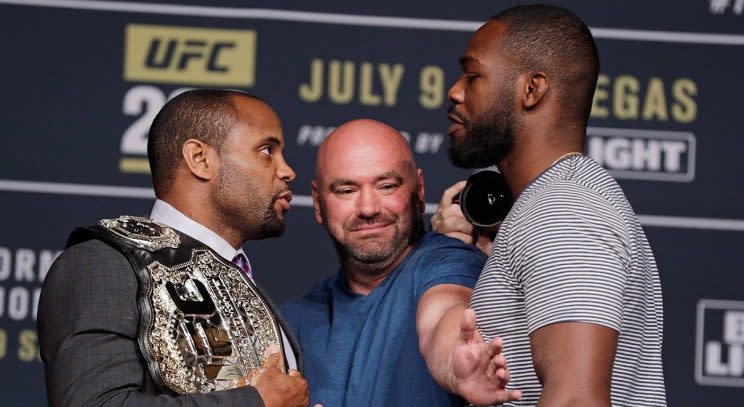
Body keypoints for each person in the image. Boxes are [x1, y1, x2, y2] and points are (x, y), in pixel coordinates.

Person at [440, 4, 666, 406]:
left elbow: (576, 400)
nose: (455, 91)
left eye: (473, 76)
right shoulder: (551, 205)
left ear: (532, 89)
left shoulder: (563, 211)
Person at [38, 89, 311, 407]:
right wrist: (256, 403)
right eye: (267, 150)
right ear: (200, 159)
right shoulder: (104, 263)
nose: (287, 170)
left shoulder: (235, 275)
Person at [281, 119, 521, 407]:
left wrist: (455, 365)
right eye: (346, 190)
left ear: (418, 191)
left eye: (386, 186)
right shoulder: (292, 322)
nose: (368, 208)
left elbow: (444, 315)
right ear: (319, 204)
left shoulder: (447, 260)